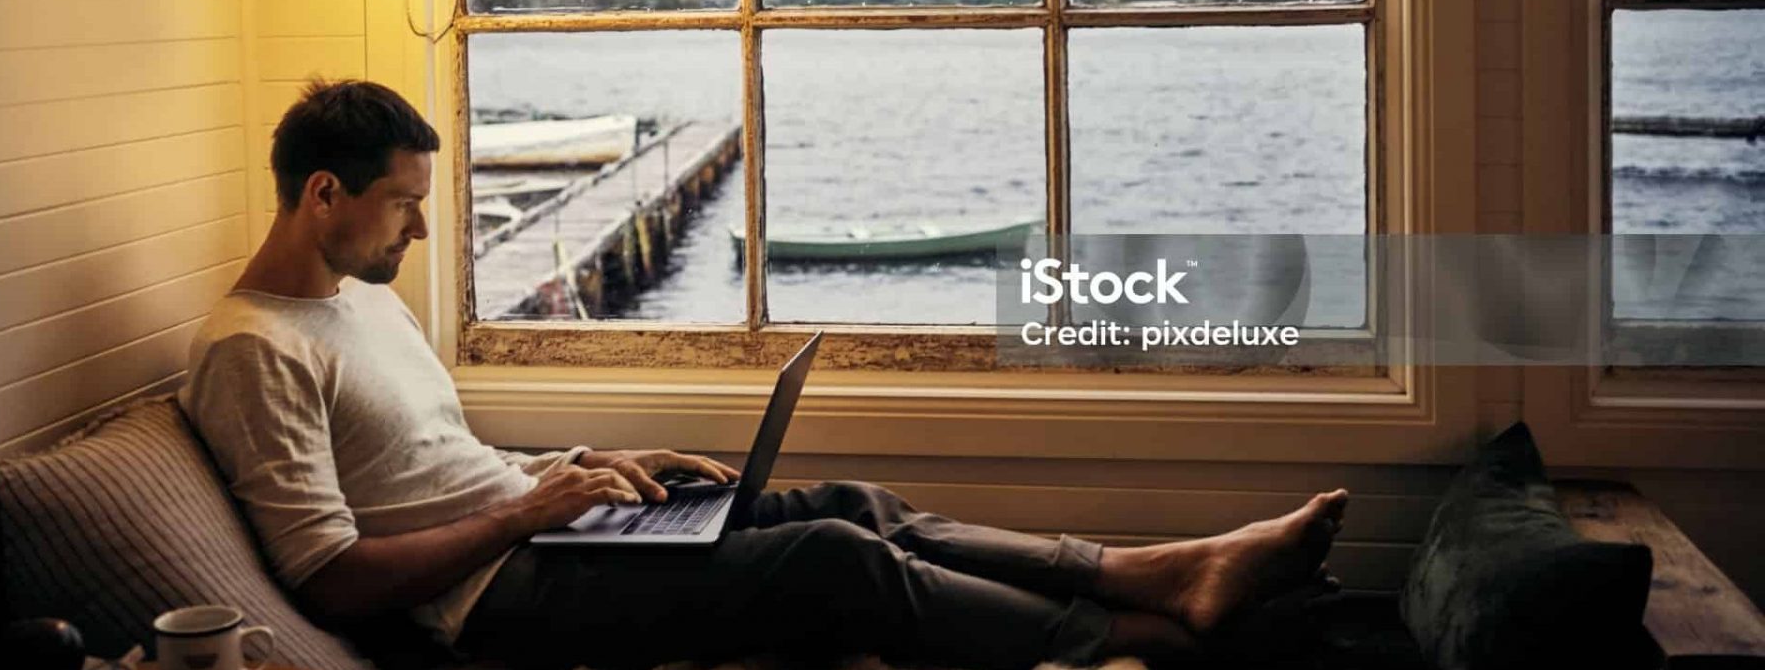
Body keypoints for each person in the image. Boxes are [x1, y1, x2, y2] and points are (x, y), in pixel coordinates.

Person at [178, 79, 1350, 670]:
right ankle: (1135, 639)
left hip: (541, 536)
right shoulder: (251, 348)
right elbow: (332, 582)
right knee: (829, 560)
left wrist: (590, 471)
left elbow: (440, 470)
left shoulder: (360, 303)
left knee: (850, 504)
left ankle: (1157, 566)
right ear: (323, 194)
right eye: (403, 207)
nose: (419, 236)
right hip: (494, 606)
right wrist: (533, 512)